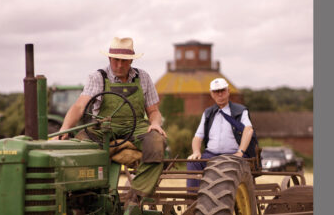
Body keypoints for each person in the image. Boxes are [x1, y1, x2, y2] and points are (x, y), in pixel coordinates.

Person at [57, 37, 168, 201]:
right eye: (116, 60)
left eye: (124, 61)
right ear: (110, 58)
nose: (120, 65)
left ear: (131, 60)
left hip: (135, 126)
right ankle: (87, 195)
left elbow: (153, 111)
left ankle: (136, 195)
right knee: (80, 146)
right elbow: (80, 107)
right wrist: (64, 129)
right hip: (103, 127)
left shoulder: (143, 77)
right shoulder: (98, 77)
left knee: (157, 142)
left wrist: (155, 123)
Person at [186, 77, 254, 188]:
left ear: (228, 91)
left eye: (222, 90)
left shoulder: (241, 111)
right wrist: (196, 151)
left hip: (233, 155)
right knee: (193, 162)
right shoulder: (208, 113)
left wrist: (240, 152)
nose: (220, 94)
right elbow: (198, 137)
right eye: (216, 92)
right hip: (211, 155)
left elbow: (248, 130)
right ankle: (193, 200)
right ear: (211, 94)